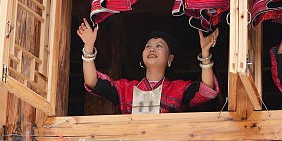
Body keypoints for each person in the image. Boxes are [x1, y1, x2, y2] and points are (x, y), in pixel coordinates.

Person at [77, 19, 219, 114]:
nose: (152, 49)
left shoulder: (178, 89)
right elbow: (93, 82)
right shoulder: (125, 89)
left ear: (170, 58)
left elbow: (206, 89)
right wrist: (88, 47)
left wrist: (205, 53)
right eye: (148, 46)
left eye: (159, 46)